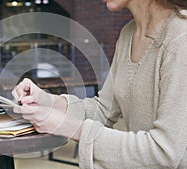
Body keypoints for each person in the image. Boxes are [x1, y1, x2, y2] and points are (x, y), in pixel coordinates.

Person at [11, 0, 187, 168]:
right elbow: (104, 108)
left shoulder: (181, 37)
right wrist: (49, 102)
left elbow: (165, 152)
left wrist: (70, 127)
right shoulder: (129, 34)